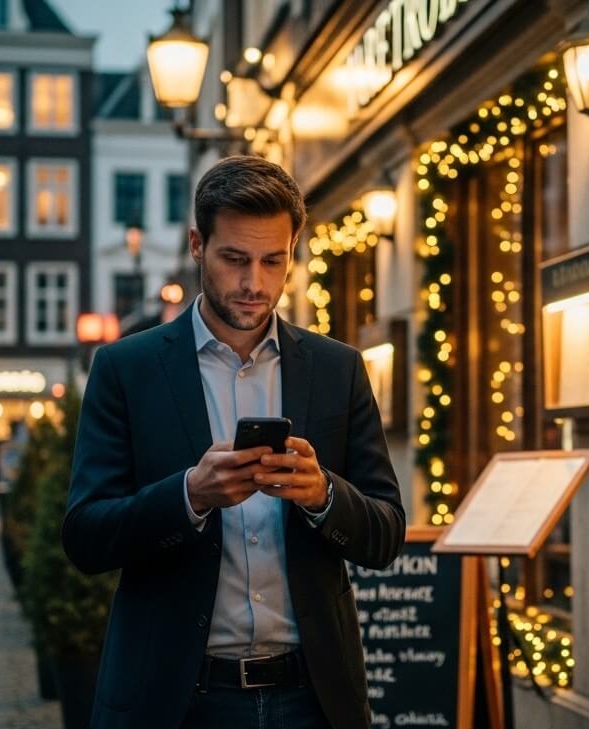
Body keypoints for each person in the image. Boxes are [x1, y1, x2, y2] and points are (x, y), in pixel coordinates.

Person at [63, 155, 405, 729]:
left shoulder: (337, 368)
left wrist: (323, 495)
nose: (254, 283)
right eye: (234, 259)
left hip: (314, 700)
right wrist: (189, 496)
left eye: (274, 260)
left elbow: (386, 534)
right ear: (198, 245)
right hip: (177, 702)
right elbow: (85, 537)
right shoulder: (127, 369)